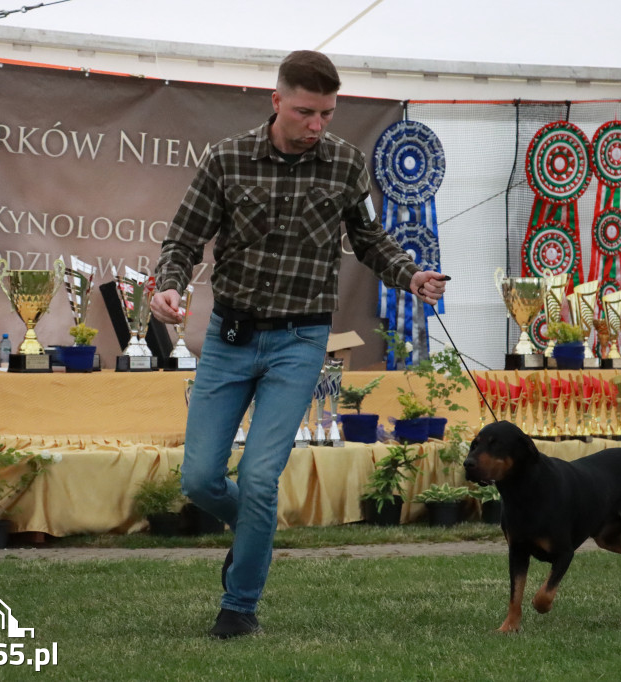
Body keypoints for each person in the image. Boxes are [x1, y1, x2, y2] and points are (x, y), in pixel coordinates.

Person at [150, 50, 448, 639]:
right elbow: (183, 239)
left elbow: (369, 239)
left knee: (260, 479)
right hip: (231, 338)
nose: (317, 125)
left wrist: (409, 275)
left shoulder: (343, 165)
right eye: (307, 112)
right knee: (200, 480)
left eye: (328, 114)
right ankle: (253, 532)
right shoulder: (226, 159)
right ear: (276, 101)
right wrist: (168, 286)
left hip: (300, 341)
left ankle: (239, 609)